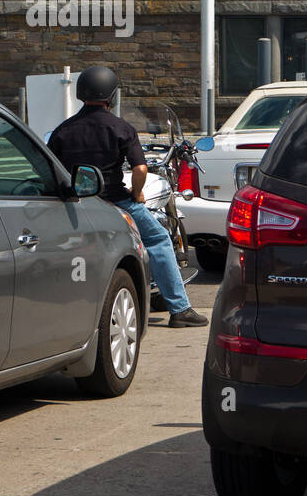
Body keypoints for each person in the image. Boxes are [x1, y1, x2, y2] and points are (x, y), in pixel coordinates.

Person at [47, 65, 208, 327]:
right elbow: (140, 168)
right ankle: (179, 310)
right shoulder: (120, 127)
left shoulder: (63, 130)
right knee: (158, 240)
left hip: (77, 205)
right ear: (111, 95)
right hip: (116, 203)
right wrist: (137, 192)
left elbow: (51, 168)